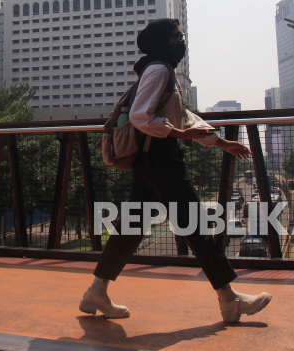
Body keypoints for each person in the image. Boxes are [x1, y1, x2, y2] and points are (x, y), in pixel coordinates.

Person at [79, 19, 272, 324]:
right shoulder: (159, 70)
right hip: (160, 160)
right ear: (161, 41)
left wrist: (219, 141)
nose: (180, 41)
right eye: (175, 37)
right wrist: (183, 137)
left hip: (151, 160)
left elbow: (182, 115)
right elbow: (142, 116)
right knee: (195, 225)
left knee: (130, 228)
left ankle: (96, 292)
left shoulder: (160, 71)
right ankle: (229, 299)